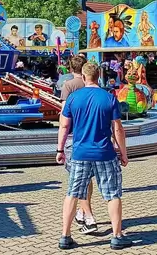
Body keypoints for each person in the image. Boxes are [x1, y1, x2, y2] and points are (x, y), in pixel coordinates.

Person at [57, 62, 131, 250]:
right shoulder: (108, 98)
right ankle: (116, 236)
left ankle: (65, 236)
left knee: (72, 193)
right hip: (104, 153)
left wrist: (59, 150)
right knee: (112, 194)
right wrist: (123, 153)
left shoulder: (74, 98)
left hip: (80, 153)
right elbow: (117, 129)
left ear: (83, 77)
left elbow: (64, 126)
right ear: (99, 76)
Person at [59, 56, 96, 234]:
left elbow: (65, 117)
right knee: (87, 178)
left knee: (77, 179)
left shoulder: (68, 86)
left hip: (74, 136)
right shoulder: (92, 85)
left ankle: (88, 216)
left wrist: (59, 145)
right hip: (92, 135)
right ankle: (83, 211)